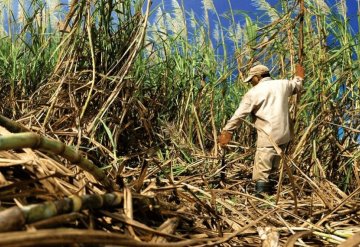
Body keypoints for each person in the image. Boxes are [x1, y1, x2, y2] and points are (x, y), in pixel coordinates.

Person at [218, 63, 305, 197]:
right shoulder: (284, 84)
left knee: (262, 171)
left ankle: (261, 199)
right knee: (274, 167)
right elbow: (297, 85)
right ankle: (272, 195)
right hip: (285, 134)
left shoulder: (253, 92)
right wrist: (299, 76)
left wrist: (227, 131)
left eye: (251, 79)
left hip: (268, 136)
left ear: (258, 77)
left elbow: (239, 115)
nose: (250, 83)